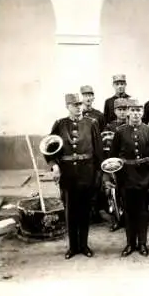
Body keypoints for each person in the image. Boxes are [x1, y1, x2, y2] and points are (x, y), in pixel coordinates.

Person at [44, 93, 103, 259]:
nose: (78, 107)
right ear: (67, 106)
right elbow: (49, 148)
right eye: (74, 105)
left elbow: (98, 150)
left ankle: (84, 246)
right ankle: (73, 247)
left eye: (79, 104)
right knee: (70, 212)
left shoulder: (92, 123)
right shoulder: (60, 124)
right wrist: (54, 165)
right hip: (68, 175)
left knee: (85, 211)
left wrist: (99, 174)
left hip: (86, 173)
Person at [105, 98, 149, 257]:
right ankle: (130, 243)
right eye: (133, 110)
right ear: (128, 112)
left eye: (139, 111)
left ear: (142, 113)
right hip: (126, 178)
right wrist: (113, 177)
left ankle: (142, 243)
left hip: (145, 178)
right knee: (128, 213)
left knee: (143, 212)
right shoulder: (120, 132)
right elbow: (113, 156)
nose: (136, 114)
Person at [80, 85, 106, 224]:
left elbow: (101, 135)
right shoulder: (78, 114)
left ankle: (96, 211)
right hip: (82, 154)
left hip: (94, 153)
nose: (88, 98)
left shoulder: (99, 115)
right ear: (82, 97)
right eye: (85, 95)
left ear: (93, 97)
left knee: (96, 183)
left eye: (90, 95)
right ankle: (85, 213)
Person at [102, 97, 129, 232]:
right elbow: (106, 149)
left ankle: (129, 220)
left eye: (125, 109)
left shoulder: (132, 125)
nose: (123, 113)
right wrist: (109, 168)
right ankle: (117, 220)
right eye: (120, 110)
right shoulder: (109, 127)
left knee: (128, 194)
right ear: (115, 111)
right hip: (114, 165)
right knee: (113, 193)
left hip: (129, 166)